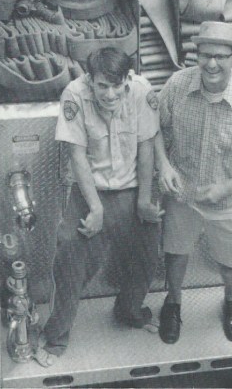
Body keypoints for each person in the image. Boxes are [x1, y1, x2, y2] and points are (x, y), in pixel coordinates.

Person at [33, 47, 162, 366]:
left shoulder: (142, 91)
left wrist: (144, 201)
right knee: (70, 262)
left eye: (117, 85)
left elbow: (146, 148)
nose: (110, 93)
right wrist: (95, 208)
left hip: (133, 188)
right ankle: (56, 337)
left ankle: (129, 312)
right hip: (89, 190)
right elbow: (77, 157)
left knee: (147, 258)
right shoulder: (74, 95)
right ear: (90, 79)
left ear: (127, 79)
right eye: (102, 85)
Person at [154, 21, 232, 345]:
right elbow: (153, 129)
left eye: (221, 56)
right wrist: (164, 165)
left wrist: (228, 187)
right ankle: (173, 301)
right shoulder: (176, 85)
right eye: (206, 54)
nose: (212, 63)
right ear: (196, 54)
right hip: (183, 194)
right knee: (176, 252)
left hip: (231, 200)